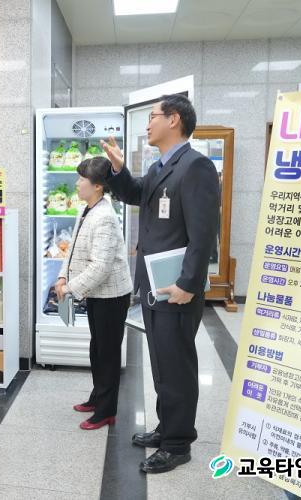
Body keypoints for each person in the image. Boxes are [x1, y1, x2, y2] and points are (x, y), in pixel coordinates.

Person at [104, 94, 220, 473]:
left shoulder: (196, 166)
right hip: (156, 285)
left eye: (152, 116)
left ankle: (178, 443)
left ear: (174, 120)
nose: (148, 123)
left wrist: (189, 283)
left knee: (177, 366)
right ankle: (167, 426)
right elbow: (134, 194)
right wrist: (119, 170)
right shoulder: (160, 167)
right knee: (162, 365)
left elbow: (204, 233)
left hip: (177, 288)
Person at [55, 157, 133, 431]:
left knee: (108, 354)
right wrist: (62, 276)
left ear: (98, 186)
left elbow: (101, 266)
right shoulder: (87, 209)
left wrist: (70, 288)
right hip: (97, 294)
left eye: (81, 179)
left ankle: (106, 411)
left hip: (112, 296)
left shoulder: (105, 217)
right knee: (97, 349)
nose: (77, 183)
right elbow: (73, 249)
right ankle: (98, 397)